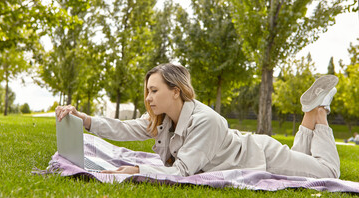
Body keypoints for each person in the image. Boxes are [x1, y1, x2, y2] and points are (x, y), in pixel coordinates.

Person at [56, 63, 340, 178]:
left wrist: (136, 170)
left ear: (176, 91)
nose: (148, 98)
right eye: (147, 92)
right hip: (256, 150)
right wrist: (85, 120)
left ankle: (321, 114)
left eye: (154, 91)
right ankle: (311, 111)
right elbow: (126, 127)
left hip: (261, 157)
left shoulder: (207, 120)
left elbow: (181, 172)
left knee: (327, 173)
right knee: (304, 160)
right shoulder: (165, 118)